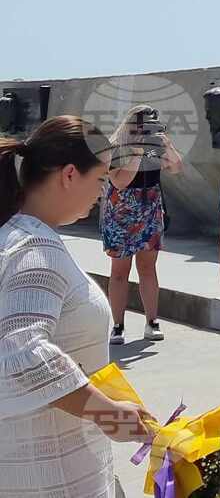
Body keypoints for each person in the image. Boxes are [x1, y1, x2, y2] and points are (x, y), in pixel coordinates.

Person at [0, 117, 152, 498]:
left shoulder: (16, 237)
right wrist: (107, 414)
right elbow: (22, 351)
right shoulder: (36, 250)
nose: (102, 193)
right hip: (51, 473)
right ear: (69, 174)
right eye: (100, 180)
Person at [102, 105, 184, 345]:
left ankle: (152, 322)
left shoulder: (156, 146)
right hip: (122, 211)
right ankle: (118, 326)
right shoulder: (117, 147)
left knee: (148, 269)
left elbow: (177, 168)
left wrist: (166, 145)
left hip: (149, 208)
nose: (146, 130)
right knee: (119, 272)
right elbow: (119, 183)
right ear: (131, 126)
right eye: (142, 125)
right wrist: (137, 152)